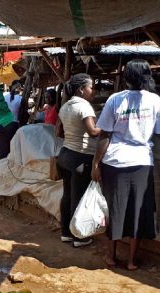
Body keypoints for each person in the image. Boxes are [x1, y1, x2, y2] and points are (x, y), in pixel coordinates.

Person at [92, 59, 160, 270]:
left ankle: (111, 256)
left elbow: (105, 136)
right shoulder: (155, 101)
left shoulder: (115, 100)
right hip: (142, 161)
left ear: (126, 77)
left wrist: (96, 163)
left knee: (116, 209)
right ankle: (131, 261)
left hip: (115, 162)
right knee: (138, 210)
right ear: (147, 76)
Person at [57, 73, 101, 248]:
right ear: (82, 89)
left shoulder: (65, 106)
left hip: (66, 154)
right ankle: (79, 237)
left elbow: (59, 132)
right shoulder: (85, 107)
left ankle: (66, 233)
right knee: (79, 197)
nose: (93, 91)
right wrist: (108, 126)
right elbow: (93, 132)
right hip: (81, 157)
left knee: (67, 194)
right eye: (91, 87)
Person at [0, 80, 23, 160]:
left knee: (3, 147)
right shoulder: (21, 99)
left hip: (3, 125)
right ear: (20, 88)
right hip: (13, 126)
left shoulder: (4, 96)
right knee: (11, 148)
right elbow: (22, 116)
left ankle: (0, 164)